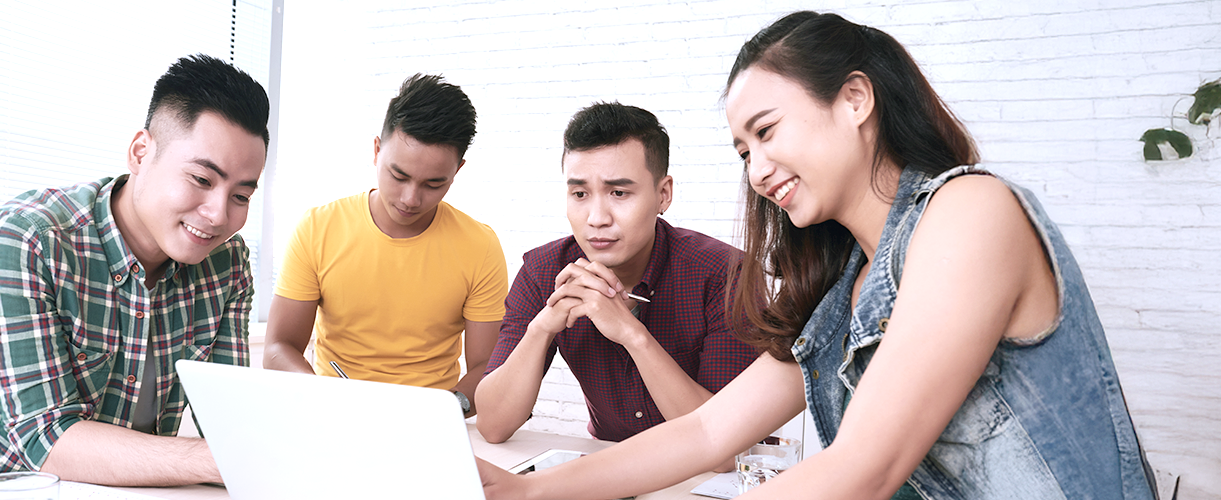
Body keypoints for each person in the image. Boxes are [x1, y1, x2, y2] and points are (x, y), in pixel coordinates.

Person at [477, 11, 1156, 500]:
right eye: (743, 151)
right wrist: (527, 491)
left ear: (855, 99)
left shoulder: (970, 211)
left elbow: (863, 470)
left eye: (767, 131)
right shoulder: (840, 288)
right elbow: (707, 431)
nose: (757, 170)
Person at [0, 54, 269, 486]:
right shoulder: (29, 237)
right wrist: (228, 460)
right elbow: (43, 438)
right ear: (140, 152)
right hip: (38, 489)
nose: (218, 215)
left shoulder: (228, 262)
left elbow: (229, 423)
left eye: (241, 196)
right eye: (202, 180)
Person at [474, 103, 761, 457]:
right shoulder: (543, 272)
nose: (596, 218)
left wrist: (631, 334)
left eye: (619, 193)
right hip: (608, 462)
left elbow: (727, 444)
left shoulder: (725, 274)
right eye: (580, 194)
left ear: (663, 194)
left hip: (707, 475)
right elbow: (493, 425)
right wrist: (542, 328)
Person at [262, 74, 505, 417]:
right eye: (399, 176)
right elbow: (278, 348)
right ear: (377, 151)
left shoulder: (480, 246)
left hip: (431, 423)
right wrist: (321, 396)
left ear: (457, 171)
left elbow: (487, 367)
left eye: (433, 184)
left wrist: (447, 410)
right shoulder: (317, 228)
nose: (410, 199)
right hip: (334, 416)